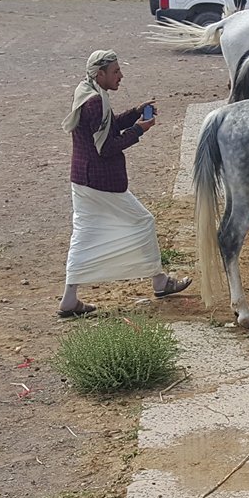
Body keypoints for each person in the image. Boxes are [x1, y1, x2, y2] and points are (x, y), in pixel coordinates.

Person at [60, 49, 189, 318]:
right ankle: (159, 282)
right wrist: (138, 130)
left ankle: (70, 300)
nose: (121, 76)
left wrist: (133, 114)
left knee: (84, 235)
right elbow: (106, 147)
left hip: (84, 179)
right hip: (100, 181)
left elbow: (107, 126)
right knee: (143, 221)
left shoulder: (88, 92)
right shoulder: (95, 101)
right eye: (116, 71)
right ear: (101, 74)